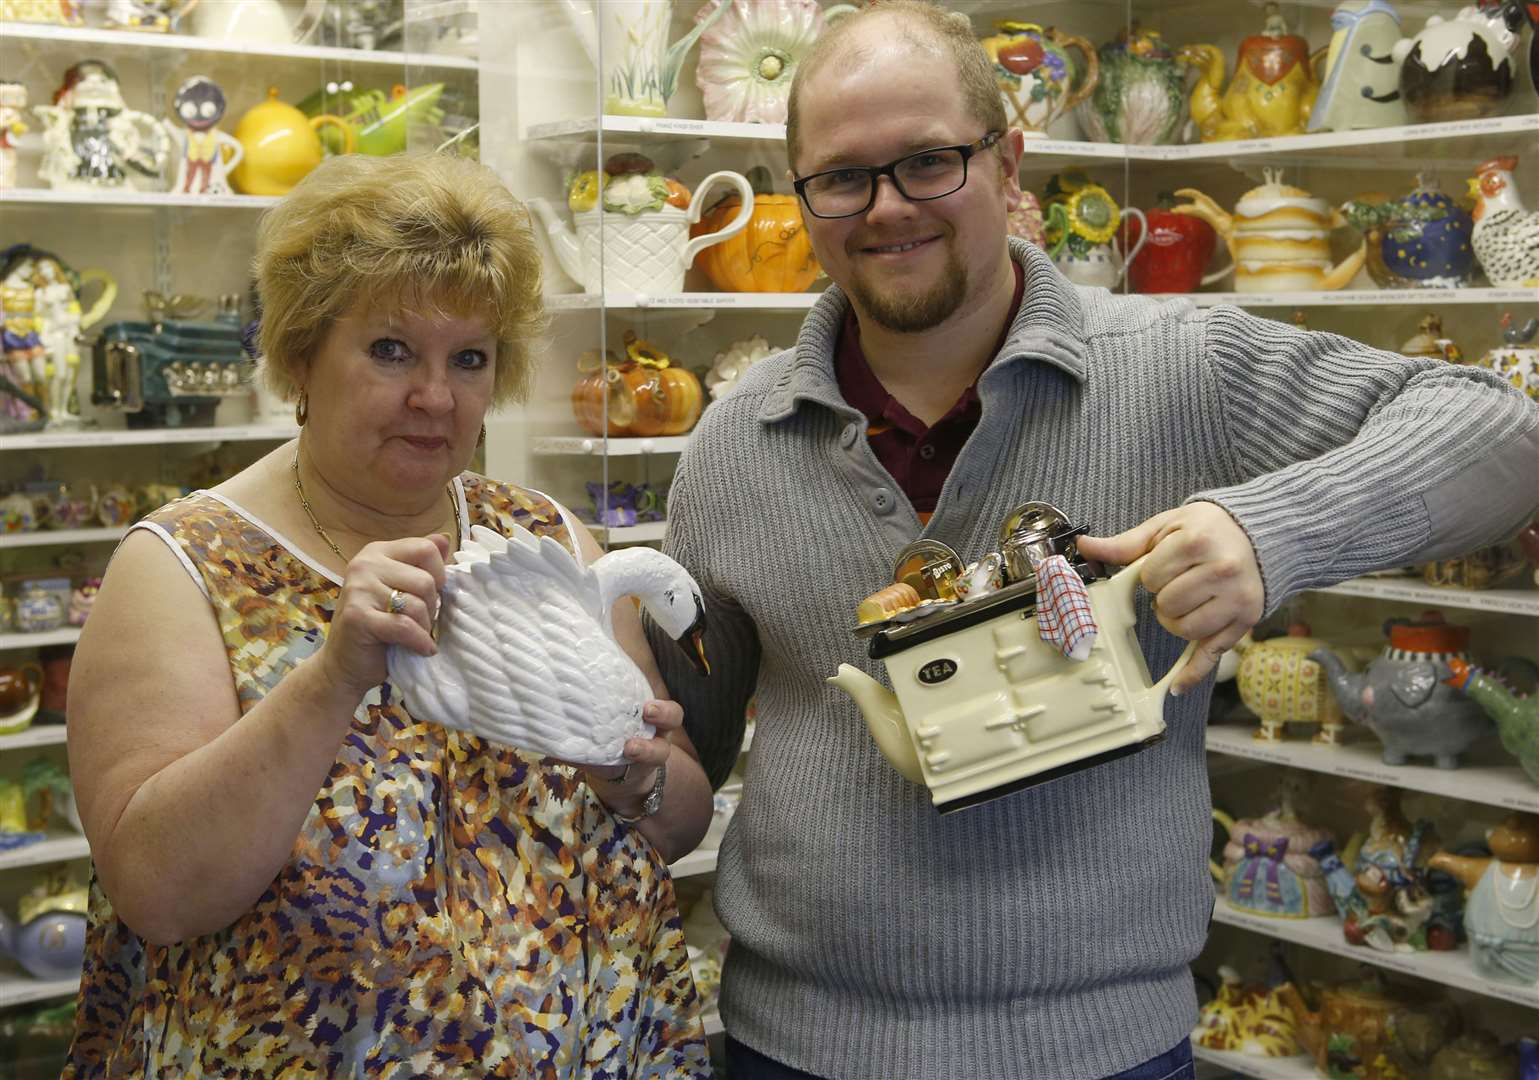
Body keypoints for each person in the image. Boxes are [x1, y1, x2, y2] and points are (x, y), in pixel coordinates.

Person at [645, 3, 1539, 1079]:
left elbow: (1504, 434)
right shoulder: (738, 441)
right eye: (841, 177)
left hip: (1099, 1052)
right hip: (791, 1046)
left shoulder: (1184, 368)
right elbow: (682, 738)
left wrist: (1266, 529)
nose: (886, 209)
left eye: (929, 161)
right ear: (802, 193)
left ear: (1009, 160)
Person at [64, 152, 715, 1078]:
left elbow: (677, 813)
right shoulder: (183, 565)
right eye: (391, 350)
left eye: (471, 359)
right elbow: (159, 892)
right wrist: (331, 680)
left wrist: (638, 781)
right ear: (300, 355)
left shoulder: (548, 542)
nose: (436, 397)